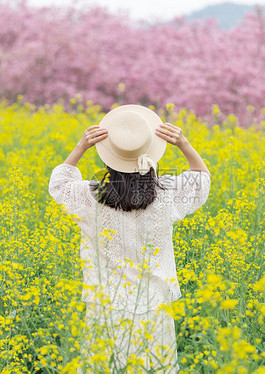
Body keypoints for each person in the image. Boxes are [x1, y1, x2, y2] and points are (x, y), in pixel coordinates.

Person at [48, 105, 210, 373]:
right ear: (149, 153)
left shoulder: (89, 197)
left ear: (107, 159)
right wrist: (183, 143)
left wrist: (80, 147)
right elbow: (201, 179)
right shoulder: (167, 194)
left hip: (106, 303)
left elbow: (59, 184)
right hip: (154, 304)